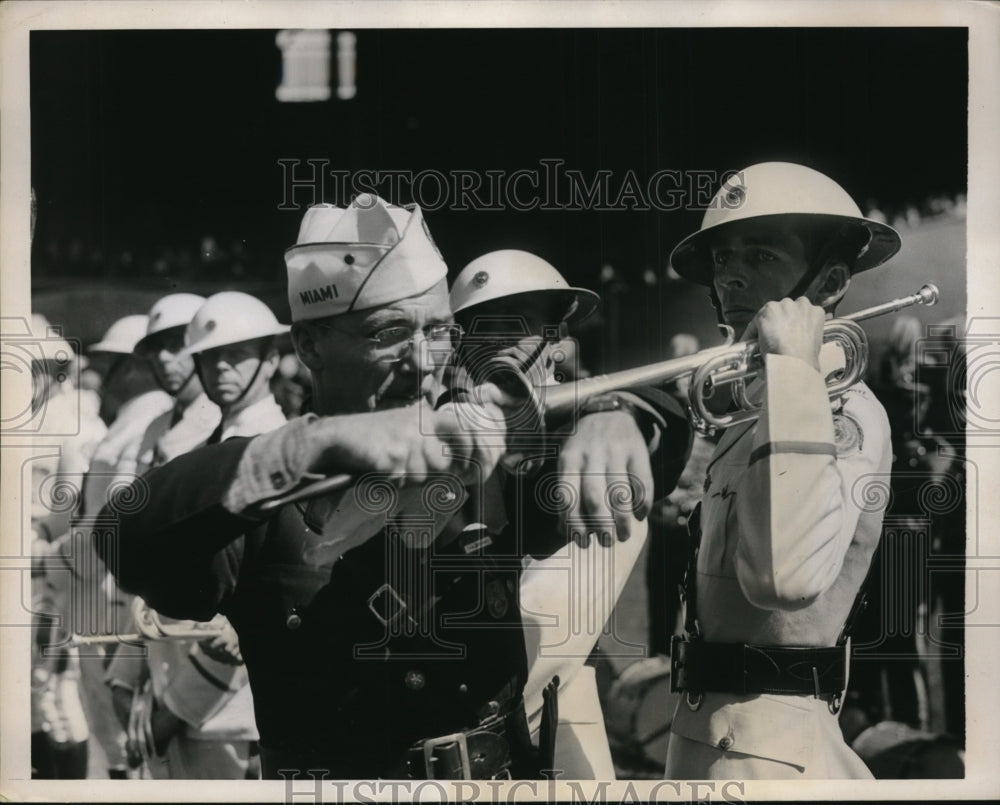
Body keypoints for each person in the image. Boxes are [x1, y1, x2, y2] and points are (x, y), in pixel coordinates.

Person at [94, 194, 674, 779]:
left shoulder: (481, 448)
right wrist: (315, 445)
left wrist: (613, 410)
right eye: (389, 332)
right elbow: (123, 535)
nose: (424, 359)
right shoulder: (266, 486)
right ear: (309, 346)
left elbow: (669, 422)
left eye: (441, 332)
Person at [663, 162, 898, 779]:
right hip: (700, 741)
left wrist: (795, 371)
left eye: (761, 255)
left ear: (830, 281)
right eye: (721, 258)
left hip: (773, 763)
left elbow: (782, 579)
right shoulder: (758, 403)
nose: (729, 276)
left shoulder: (844, 412)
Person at [449, 249, 691, 778]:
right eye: (478, 329)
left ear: (558, 344)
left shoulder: (588, 424)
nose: (496, 345)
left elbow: (667, 419)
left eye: (520, 328)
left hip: (551, 727)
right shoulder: (437, 431)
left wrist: (615, 412)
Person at [179, 291, 289, 443]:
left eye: (237, 354)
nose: (220, 365)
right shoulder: (218, 435)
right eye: (210, 355)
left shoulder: (271, 441)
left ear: (271, 362)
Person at [132, 293, 221, 472]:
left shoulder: (220, 420)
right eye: (155, 350)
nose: (162, 357)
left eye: (176, 345)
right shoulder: (156, 426)